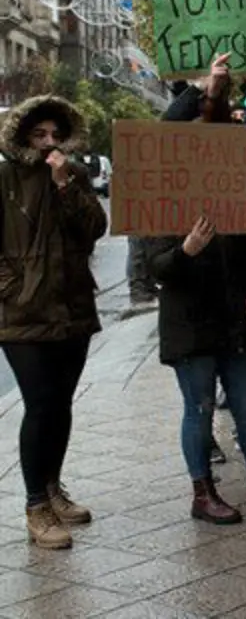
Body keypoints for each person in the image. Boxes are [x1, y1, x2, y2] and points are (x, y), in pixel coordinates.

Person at [148, 53, 246, 525]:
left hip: (234, 317)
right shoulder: (162, 195)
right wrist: (186, 249)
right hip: (190, 324)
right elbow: (157, 265)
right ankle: (203, 492)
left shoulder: (240, 189)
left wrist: (218, 91)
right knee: (199, 409)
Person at [0, 95, 107, 550]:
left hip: (73, 307)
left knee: (61, 403)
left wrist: (65, 185)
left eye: (55, 135)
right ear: (24, 137)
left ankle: (53, 488)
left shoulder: (74, 176)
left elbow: (94, 229)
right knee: (40, 403)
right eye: (39, 135)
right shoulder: (5, 178)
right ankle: (34, 506)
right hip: (22, 314)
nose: (49, 143)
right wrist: (12, 286)